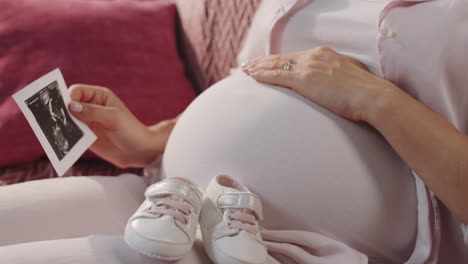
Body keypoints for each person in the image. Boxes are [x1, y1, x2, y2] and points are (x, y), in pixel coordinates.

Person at [1, 0, 467, 263]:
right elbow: (257, 77)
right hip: (167, 196)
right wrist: (151, 140)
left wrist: (373, 98)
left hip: (278, 247)